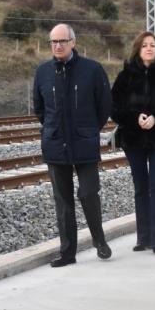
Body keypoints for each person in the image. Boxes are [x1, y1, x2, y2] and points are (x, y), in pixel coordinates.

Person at [32, 23, 113, 268]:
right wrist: (53, 129)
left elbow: (104, 106)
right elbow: (40, 109)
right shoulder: (43, 72)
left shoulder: (92, 70)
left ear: (73, 42)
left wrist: (88, 130)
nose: (57, 45)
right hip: (56, 145)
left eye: (62, 41)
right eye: (53, 42)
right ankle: (68, 253)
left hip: (84, 144)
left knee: (88, 193)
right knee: (63, 201)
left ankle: (99, 240)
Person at [111, 31, 155, 257]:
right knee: (140, 187)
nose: (149, 48)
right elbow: (115, 108)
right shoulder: (125, 76)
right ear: (138, 49)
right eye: (145, 45)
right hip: (133, 139)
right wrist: (135, 118)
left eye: (153, 45)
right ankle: (143, 237)